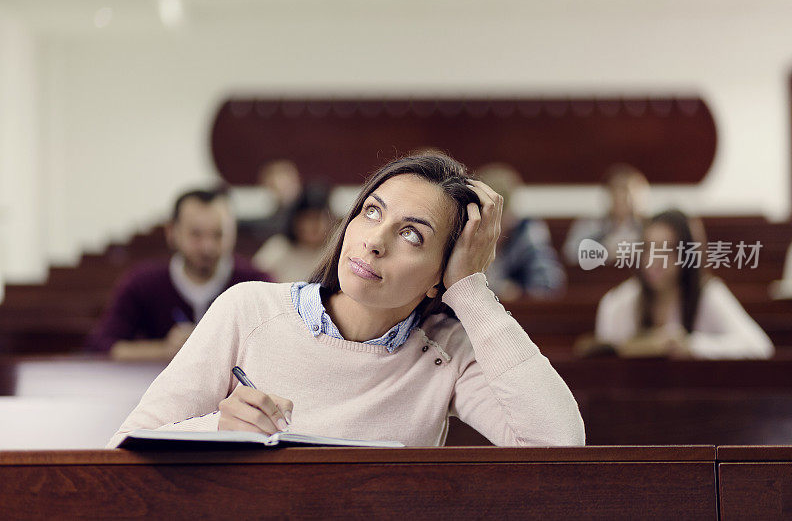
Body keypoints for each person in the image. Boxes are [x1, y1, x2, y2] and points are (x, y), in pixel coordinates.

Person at [109, 154, 585, 447]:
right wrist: (217, 432)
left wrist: (472, 288)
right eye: (371, 211)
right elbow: (123, 450)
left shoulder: (447, 353)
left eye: (412, 236)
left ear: (440, 275)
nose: (373, 241)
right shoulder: (248, 309)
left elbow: (557, 444)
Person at [87, 188, 271, 360]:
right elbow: (102, 346)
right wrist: (164, 349)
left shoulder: (257, 284)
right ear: (172, 232)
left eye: (218, 234)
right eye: (196, 234)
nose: (207, 247)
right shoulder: (142, 284)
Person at [586, 209, 774, 360]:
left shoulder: (707, 293)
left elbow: (759, 347)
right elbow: (605, 356)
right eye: (649, 248)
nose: (654, 260)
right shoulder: (619, 301)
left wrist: (691, 345)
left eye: (667, 250)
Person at [476, 163, 565, 300]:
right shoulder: (469, 230)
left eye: (502, 209)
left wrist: (518, 292)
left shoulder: (528, 230)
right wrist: (501, 289)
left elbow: (550, 285)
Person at [562, 163, 650, 265]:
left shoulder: (651, 227)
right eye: (619, 189)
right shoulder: (589, 225)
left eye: (632, 190)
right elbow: (570, 254)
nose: (625, 197)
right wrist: (606, 251)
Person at [252, 183, 336, 283]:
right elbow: (253, 281)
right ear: (295, 221)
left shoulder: (334, 252)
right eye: (308, 219)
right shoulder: (278, 248)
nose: (315, 226)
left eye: (319, 218)